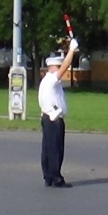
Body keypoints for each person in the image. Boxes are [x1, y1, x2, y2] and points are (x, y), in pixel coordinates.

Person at [38, 38, 78, 188]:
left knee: (48, 148)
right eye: (59, 66)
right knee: (56, 148)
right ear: (53, 67)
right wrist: (72, 50)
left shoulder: (46, 81)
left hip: (47, 116)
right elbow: (66, 66)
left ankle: (48, 176)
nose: (62, 69)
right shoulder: (51, 80)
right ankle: (56, 177)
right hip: (53, 118)